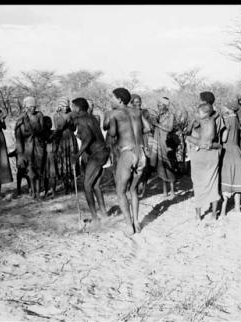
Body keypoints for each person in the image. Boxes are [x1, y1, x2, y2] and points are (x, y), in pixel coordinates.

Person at [104, 87, 148, 235]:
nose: (111, 100)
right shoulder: (137, 111)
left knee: (120, 191)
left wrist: (111, 121)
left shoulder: (114, 113)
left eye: (113, 98)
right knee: (133, 189)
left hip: (127, 153)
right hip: (141, 153)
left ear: (120, 100)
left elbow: (112, 133)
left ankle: (129, 225)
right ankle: (137, 222)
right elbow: (147, 128)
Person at [67, 97, 110, 222]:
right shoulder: (92, 118)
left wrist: (77, 155)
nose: (72, 109)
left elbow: (88, 138)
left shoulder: (81, 120)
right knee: (95, 185)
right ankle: (104, 214)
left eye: (73, 107)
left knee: (87, 186)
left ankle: (95, 218)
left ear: (78, 108)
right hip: (102, 152)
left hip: (97, 155)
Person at [186, 103, 220, 221]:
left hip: (199, 152)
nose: (198, 114)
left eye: (199, 112)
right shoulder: (213, 119)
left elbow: (188, 132)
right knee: (213, 183)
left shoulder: (200, 121)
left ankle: (197, 215)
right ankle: (214, 214)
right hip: (211, 153)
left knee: (198, 184)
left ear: (205, 114)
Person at [219, 103, 241, 216]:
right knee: (237, 179)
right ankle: (237, 208)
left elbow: (224, 138)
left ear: (228, 109)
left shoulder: (228, 121)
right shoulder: (237, 120)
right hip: (237, 150)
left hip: (228, 151)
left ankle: (223, 211)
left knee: (226, 178)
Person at [15, 96, 44, 199]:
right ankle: (32, 191)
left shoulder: (39, 115)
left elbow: (42, 130)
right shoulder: (21, 119)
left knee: (39, 169)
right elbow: (18, 138)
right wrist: (20, 153)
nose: (33, 108)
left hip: (38, 145)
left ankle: (38, 191)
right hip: (27, 147)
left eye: (34, 106)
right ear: (26, 107)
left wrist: (34, 131)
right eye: (31, 106)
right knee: (30, 170)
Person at [149, 97, 176, 197]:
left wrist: (157, 124)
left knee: (169, 165)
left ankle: (172, 191)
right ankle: (165, 191)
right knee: (161, 165)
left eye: (160, 105)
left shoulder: (171, 115)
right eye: (158, 105)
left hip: (167, 143)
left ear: (165, 106)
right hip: (159, 143)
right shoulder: (158, 116)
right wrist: (153, 123)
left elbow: (169, 129)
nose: (158, 107)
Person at [54, 96, 78, 194]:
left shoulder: (72, 114)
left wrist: (70, 120)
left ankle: (73, 183)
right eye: (63, 106)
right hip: (62, 139)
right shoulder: (56, 115)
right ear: (59, 106)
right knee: (63, 161)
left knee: (72, 159)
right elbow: (58, 128)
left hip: (71, 138)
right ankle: (65, 184)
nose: (65, 108)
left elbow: (74, 128)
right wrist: (65, 119)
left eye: (67, 106)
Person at [41, 116, 58, 199]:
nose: (49, 124)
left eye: (49, 123)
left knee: (51, 174)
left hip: (51, 154)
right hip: (46, 154)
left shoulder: (53, 132)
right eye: (47, 123)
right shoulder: (43, 133)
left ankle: (52, 191)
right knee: (46, 175)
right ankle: (48, 191)